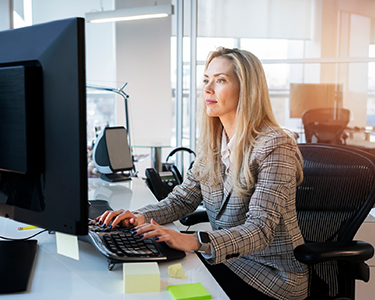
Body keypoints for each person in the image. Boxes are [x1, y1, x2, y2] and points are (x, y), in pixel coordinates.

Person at [96, 47, 308, 300]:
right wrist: (140, 216)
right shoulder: (213, 142)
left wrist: (195, 241)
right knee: (157, 276)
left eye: (220, 80)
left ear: (247, 89)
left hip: (271, 276)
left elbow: (260, 229)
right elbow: (183, 200)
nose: (208, 89)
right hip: (228, 261)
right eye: (206, 80)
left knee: (171, 286)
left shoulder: (275, 146)